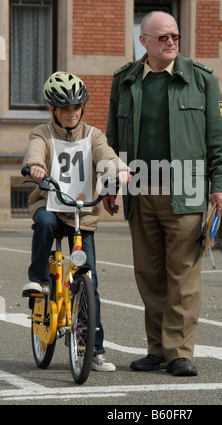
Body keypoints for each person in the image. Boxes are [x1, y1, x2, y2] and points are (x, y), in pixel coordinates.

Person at [105, 12, 222, 377]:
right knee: (149, 275)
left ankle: (179, 352)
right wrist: (110, 185)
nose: (172, 42)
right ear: (143, 41)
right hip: (140, 188)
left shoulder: (201, 80)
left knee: (183, 276)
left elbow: (218, 139)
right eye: (163, 37)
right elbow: (112, 141)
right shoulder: (125, 80)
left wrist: (221, 185)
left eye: (175, 36)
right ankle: (157, 350)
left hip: (187, 190)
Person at [22, 71, 130, 372]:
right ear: (52, 110)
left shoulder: (93, 135)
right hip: (51, 205)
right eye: (65, 109)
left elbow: (104, 154)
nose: (71, 114)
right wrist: (36, 167)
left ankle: (93, 350)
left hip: (82, 213)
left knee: (89, 282)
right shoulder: (42, 133)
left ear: (82, 108)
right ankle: (39, 279)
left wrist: (117, 169)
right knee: (43, 222)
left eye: (76, 108)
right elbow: (35, 153)